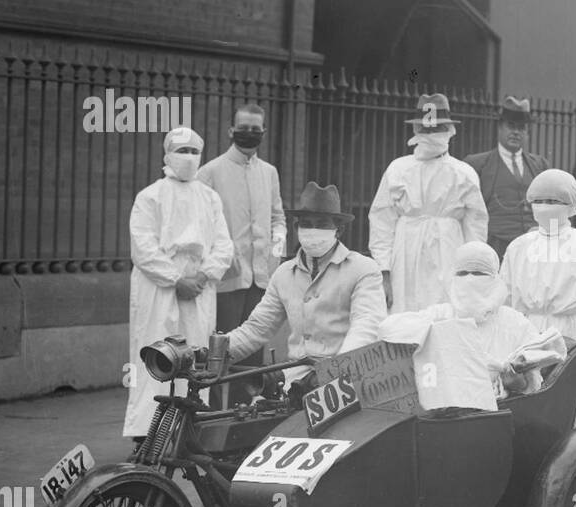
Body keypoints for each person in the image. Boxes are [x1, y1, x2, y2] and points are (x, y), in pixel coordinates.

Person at [224, 182, 387, 397]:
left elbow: (367, 325)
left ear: (339, 229)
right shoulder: (284, 274)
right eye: (307, 224)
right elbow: (256, 328)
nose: (313, 231)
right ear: (296, 228)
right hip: (294, 379)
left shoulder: (363, 269)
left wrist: (335, 371)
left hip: (348, 379)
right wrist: (213, 353)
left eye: (321, 224)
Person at [123, 127, 234, 439]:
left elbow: (223, 245)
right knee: (155, 353)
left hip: (199, 287)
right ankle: (147, 430)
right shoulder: (150, 197)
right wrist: (175, 279)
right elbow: (143, 247)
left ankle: (188, 428)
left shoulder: (210, 199)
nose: (188, 158)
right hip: (159, 288)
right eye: (181, 151)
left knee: (195, 354)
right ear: (167, 154)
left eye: (194, 152)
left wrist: (202, 276)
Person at [379, 241, 564, 407]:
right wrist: (437, 335)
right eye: (462, 273)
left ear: (493, 278)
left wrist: (515, 383)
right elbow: (388, 328)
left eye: (478, 273)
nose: (469, 279)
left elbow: (533, 385)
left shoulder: (515, 323)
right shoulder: (441, 314)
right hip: (445, 412)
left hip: (500, 413)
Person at [500, 169, 576, 426]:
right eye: (540, 201)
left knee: (557, 402)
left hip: (544, 334)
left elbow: (505, 300)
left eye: (553, 201)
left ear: (570, 206)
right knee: (575, 404)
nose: (545, 207)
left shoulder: (521, 246)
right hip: (560, 333)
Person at [197, 103, 286, 398]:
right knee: (221, 350)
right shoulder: (210, 172)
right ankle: (211, 414)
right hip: (228, 277)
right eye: (243, 128)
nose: (249, 134)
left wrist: (276, 256)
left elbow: (278, 219)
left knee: (253, 351)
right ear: (230, 131)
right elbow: (201, 224)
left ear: (263, 132)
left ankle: (244, 412)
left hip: (261, 276)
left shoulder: (269, 172)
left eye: (255, 129)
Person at [369, 94, 488, 313]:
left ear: (449, 131)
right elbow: (381, 222)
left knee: (444, 313)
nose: (431, 136)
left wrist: (473, 272)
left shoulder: (463, 174)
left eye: (437, 130)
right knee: (405, 314)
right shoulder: (398, 169)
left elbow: (476, 229)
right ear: (416, 131)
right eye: (426, 130)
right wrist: (384, 271)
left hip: (448, 251)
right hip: (406, 253)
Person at [465, 96, 549, 258]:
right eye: (511, 126)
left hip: (531, 248)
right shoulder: (478, 165)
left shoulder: (539, 165)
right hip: (495, 247)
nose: (516, 132)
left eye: (521, 127)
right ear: (500, 127)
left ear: (527, 132)